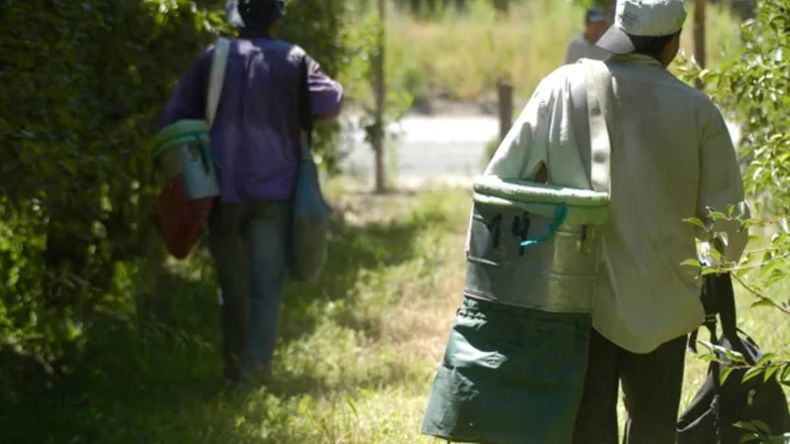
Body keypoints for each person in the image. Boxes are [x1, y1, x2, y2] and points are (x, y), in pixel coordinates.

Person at [423, 0, 748, 442]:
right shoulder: (698, 111)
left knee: (586, 427)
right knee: (654, 426)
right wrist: (712, 265)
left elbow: (498, 187)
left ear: (616, 29)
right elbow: (729, 231)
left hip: (572, 303)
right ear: (673, 43)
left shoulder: (561, 88)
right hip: (665, 305)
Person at [160, 0, 343, 383]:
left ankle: (232, 369)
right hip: (274, 193)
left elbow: (173, 119)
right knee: (266, 287)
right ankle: (255, 372)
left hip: (220, 192)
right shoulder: (293, 58)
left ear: (235, 18)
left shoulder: (212, 58)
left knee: (232, 287)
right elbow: (330, 101)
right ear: (276, 18)